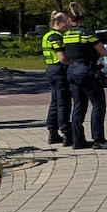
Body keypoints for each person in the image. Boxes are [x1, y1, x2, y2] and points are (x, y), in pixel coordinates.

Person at [59, 3, 107, 149]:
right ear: (82, 19)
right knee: (98, 105)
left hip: (72, 71)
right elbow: (103, 52)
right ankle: (98, 139)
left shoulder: (66, 35)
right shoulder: (87, 34)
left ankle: (78, 140)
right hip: (87, 71)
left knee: (79, 105)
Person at [43, 11, 73, 145]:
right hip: (59, 70)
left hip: (51, 70)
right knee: (63, 103)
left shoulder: (48, 35)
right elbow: (63, 58)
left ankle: (52, 132)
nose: (68, 26)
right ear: (57, 23)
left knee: (55, 103)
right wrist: (73, 64)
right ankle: (67, 133)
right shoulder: (55, 37)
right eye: (65, 23)